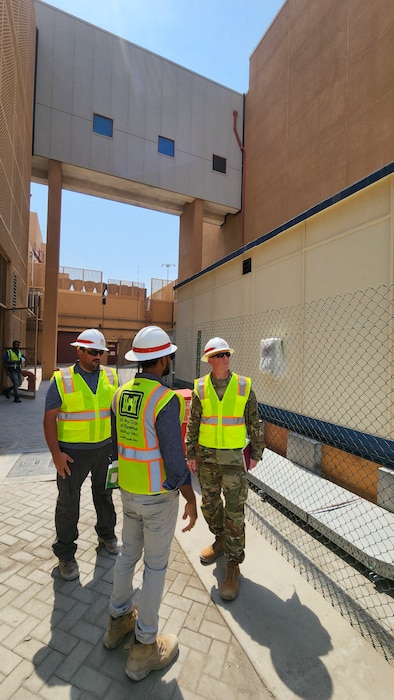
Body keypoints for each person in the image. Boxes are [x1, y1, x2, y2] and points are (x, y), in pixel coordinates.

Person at [103, 325, 197, 682]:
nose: (171, 360)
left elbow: (115, 446)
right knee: (155, 567)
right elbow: (175, 461)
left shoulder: (120, 394)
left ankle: (117, 622)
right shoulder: (165, 399)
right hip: (158, 497)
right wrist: (189, 496)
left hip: (128, 491)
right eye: (169, 356)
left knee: (128, 554)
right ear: (160, 360)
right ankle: (144, 647)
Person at [185, 337, 265, 601]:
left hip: (232, 459)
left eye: (227, 354)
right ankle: (220, 540)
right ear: (209, 360)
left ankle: (233, 565)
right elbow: (193, 422)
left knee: (234, 511)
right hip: (206, 457)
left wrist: (257, 451)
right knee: (209, 504)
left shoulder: (243, 386)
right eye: (219, 355)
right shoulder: (200, 387)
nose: (225, 359)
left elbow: (254, 420)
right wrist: (190, 453)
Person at [43, 328, 119, 581]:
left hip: (104, 450)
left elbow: (116, 416)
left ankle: (107, 535)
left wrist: (117, 451)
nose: (98, 356)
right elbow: (49, 419)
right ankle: (65, 554)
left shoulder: (111, 376)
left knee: (104, 495)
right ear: (80, 351)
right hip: (71, 454)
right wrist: (56, 455)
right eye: (93, 352)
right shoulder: (62, 379)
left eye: (101, 352)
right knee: (68, 503)